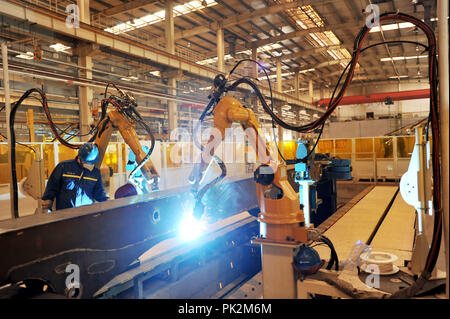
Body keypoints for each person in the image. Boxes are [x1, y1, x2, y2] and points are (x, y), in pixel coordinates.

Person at [41, 142, 108, 212]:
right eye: (87, 162)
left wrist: (108, 203)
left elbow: (99, 193)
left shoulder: (95, 173)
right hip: (65, 213)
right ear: (80, 158)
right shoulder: (64, 167)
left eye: (91, 163)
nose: (89, 165)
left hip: (87, 213)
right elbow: (52, 185)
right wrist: (48, 201)